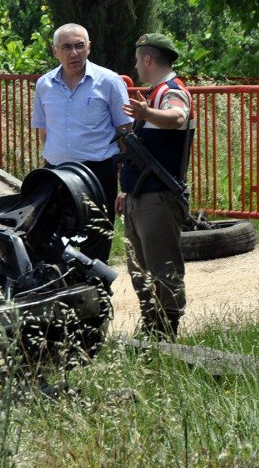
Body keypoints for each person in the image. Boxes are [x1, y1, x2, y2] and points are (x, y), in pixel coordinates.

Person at [31, 23, 133, 261]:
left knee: (97, 237)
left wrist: (125, 181)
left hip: (97, 173)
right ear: (54, 51)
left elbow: (126, 133)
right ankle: (60, 290)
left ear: (89, 47)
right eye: (66, 47)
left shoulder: (109, 81)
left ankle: (98, 292)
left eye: (79, 46)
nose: (73, 53)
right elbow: (45, 131)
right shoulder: (44, 85)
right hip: (56, 173)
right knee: (49, 237)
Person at [116, 33, 194, 339]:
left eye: (137, 59)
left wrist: (147, 113)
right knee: (140, 268)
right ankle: (151, 328)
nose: (135, 66)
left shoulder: (172, 92)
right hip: (140, 195)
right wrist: (126, 189)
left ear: (147, 59)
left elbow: (177, 117)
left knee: (163, 268)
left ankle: (166, 334)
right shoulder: (154, 92)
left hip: (158, 198)